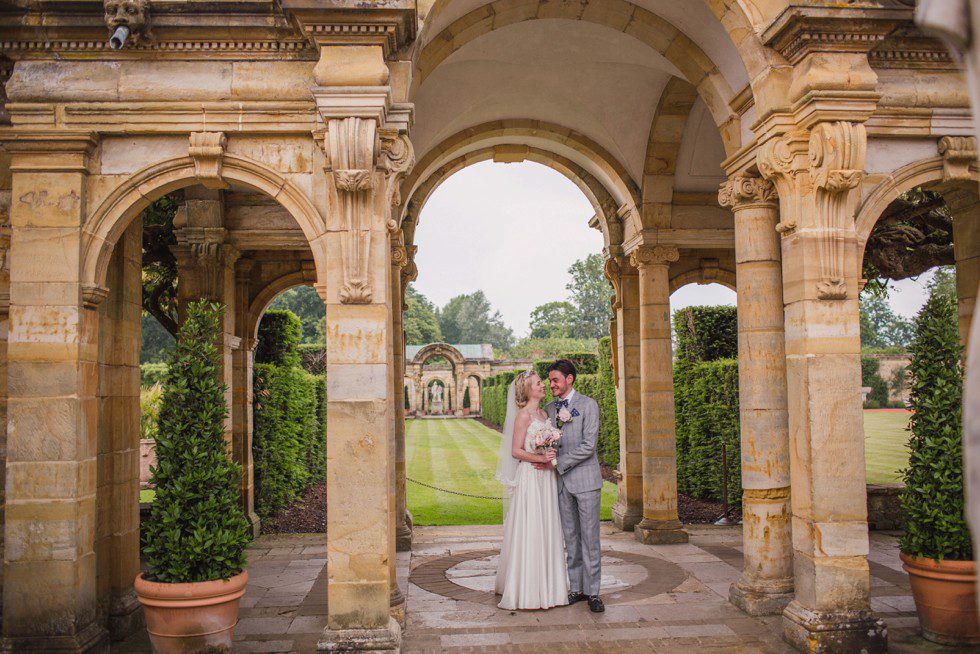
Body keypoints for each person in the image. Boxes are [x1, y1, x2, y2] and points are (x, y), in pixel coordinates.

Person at [494, 370, 569, 610]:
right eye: (538, 383)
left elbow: (546, 446)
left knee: (547, 525)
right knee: (532, 526)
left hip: (546, 478)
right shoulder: (523, 416)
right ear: (528, 390)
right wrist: (540, 457)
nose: (543, 385)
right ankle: (527, 590)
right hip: (530, 477)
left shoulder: (544, 414)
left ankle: (551, 587)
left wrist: (550, 455)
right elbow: (515, 451)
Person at [541, 359, 605, 613]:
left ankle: (593, 593)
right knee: (571, 538)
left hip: (586, 481)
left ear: (570, 379)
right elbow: (545, 442)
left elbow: (589, 446)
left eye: (555, 380)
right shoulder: (548, 409)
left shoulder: (589, 405)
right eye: (550, 380)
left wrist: (558, 463)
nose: (551, 384)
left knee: (590, 539)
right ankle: (576, 589)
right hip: (561, 485)